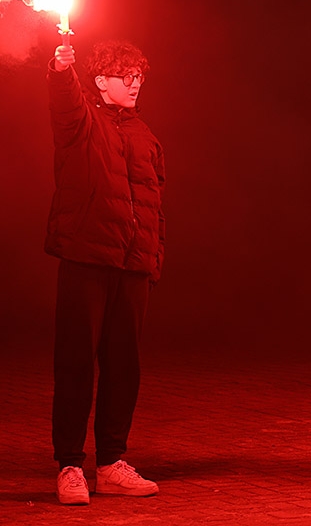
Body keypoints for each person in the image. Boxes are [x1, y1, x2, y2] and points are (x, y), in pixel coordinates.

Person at [47, 40, 165, 504]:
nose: (135, 84)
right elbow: (64, 101)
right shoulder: (81, 122)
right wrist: (60, 69)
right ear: (100, 82)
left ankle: (111, 463)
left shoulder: (146, 136)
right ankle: (70, 466)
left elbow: (158, 205)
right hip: (87, 259)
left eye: (139, 76)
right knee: (76, 363)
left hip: (133, 267)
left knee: (124, 367)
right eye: (125, 76)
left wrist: (153, 259)